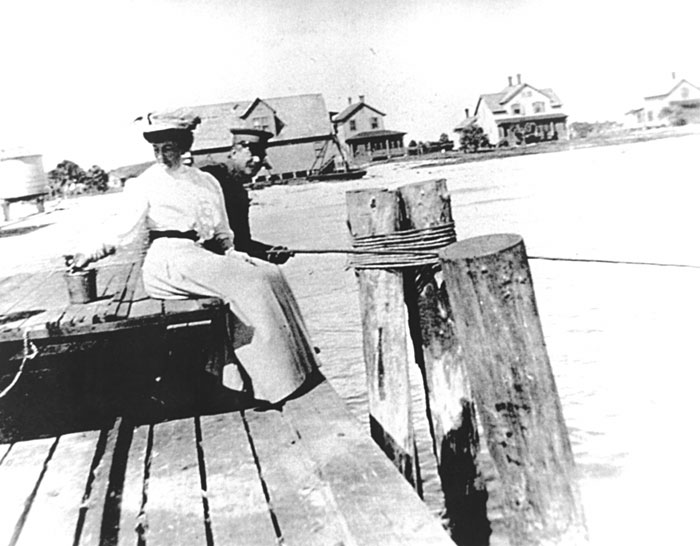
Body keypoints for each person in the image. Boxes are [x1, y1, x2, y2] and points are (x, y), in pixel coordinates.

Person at [65, 109, 319, 405]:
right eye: (156, 149)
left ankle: (300, 367)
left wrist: (231, 252)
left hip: (198, 255)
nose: (161, 155)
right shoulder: (146, 183)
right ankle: (271, 385)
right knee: (249, 283)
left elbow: (222, 229)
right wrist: (88, 254)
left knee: (268, 273)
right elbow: (122, 230)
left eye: (168, 148)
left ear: (185, 146)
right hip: (168, 261)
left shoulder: (206, 182)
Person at [197, 121, 292, 264]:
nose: (257, 160)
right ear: (234, 152)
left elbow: (240, 243)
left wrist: (270, 252)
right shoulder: (209, 176)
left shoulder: (239, 191)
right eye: (252, 153)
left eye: (261, 154)